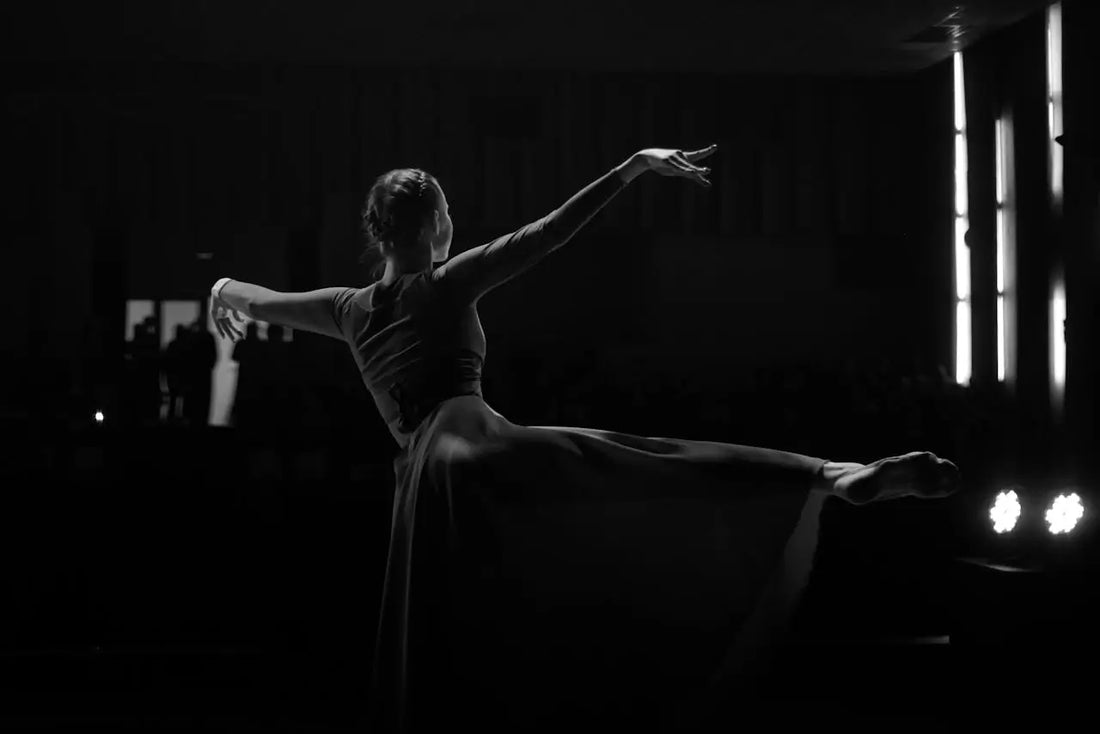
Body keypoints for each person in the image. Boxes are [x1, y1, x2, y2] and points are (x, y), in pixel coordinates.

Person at [208, 146, 960, 733]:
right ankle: (831, 474)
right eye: (448, 210)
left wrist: (219, 294)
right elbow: (551, 231)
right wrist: (632, 168)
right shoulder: (448, 281)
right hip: (479, 451)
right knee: (639, 461)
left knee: (449, 651)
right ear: (435, 224)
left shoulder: (345, 309)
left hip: (427, 485)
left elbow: (260, 300)